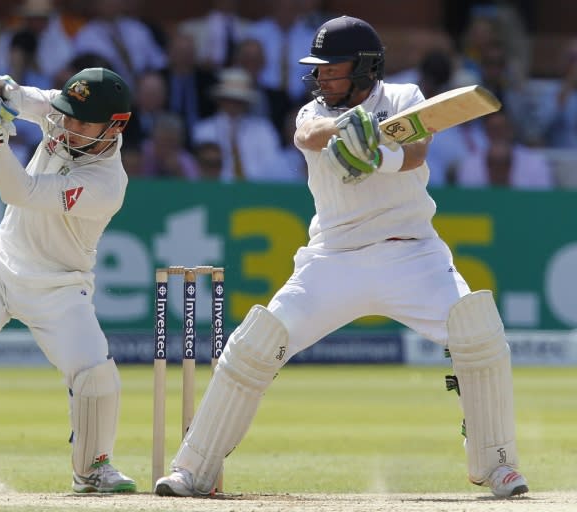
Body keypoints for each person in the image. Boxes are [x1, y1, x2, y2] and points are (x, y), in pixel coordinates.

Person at [154, 15, 529, 499]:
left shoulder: (404, 98)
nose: (322, 78)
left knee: (478, 330)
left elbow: (416, 150)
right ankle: (192, 470)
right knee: (254, 344)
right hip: (333, 259)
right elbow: (307, 137)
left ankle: (496, 464)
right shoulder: (311, 114)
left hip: (412, 254)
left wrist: (380, 155)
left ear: (365, 68)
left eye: (333, 69)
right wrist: (345, 128)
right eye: (319, 70)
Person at [0, 67, 137, 494]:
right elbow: (22, 97)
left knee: (96, 374)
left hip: (59, 287)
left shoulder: (106, 184)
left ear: (114, 126)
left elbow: (17, 191)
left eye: (81, 121)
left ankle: (92, 469)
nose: (68, 126)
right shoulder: (66, 112)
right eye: (67, 115)